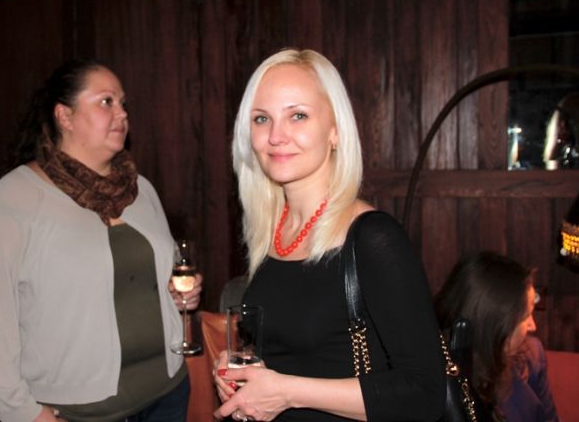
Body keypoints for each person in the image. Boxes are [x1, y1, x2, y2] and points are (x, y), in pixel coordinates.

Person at [0, 59, 202, 422]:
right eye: (106, 102)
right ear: (64, 116)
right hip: (78, 412)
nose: (122, 113)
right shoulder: (14, 199)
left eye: (123, 103)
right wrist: (22, 412)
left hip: (166, 395)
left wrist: (181, 294)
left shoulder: (141, 189)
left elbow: (161, 276)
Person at [213, 48, 446, 421]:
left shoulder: (373, 238)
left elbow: (424, 395)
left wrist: (286, 392)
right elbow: (294, 351)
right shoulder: (272, 231)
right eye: (262, 118)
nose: (276, 136)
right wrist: (242, 372)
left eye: (298, 115)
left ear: (335, 130)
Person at [435, 251, 559, 422]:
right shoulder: (438, 377)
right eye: (525, 317)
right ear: (494, 328)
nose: (533, 326)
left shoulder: (533, 355)